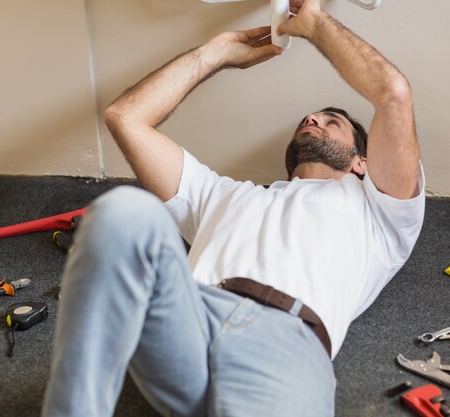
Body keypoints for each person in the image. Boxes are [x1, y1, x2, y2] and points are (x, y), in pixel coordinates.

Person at [41, 0, 425, 416]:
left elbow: (393, 94)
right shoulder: (226, 195)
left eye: (332, 121)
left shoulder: (382, 214)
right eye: (312, 117)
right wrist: (217, 53)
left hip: (288, 344)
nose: (314, 117)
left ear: (361, 163)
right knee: (124, 211)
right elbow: (125, 117)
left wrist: (313, 24)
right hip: (190, 317)